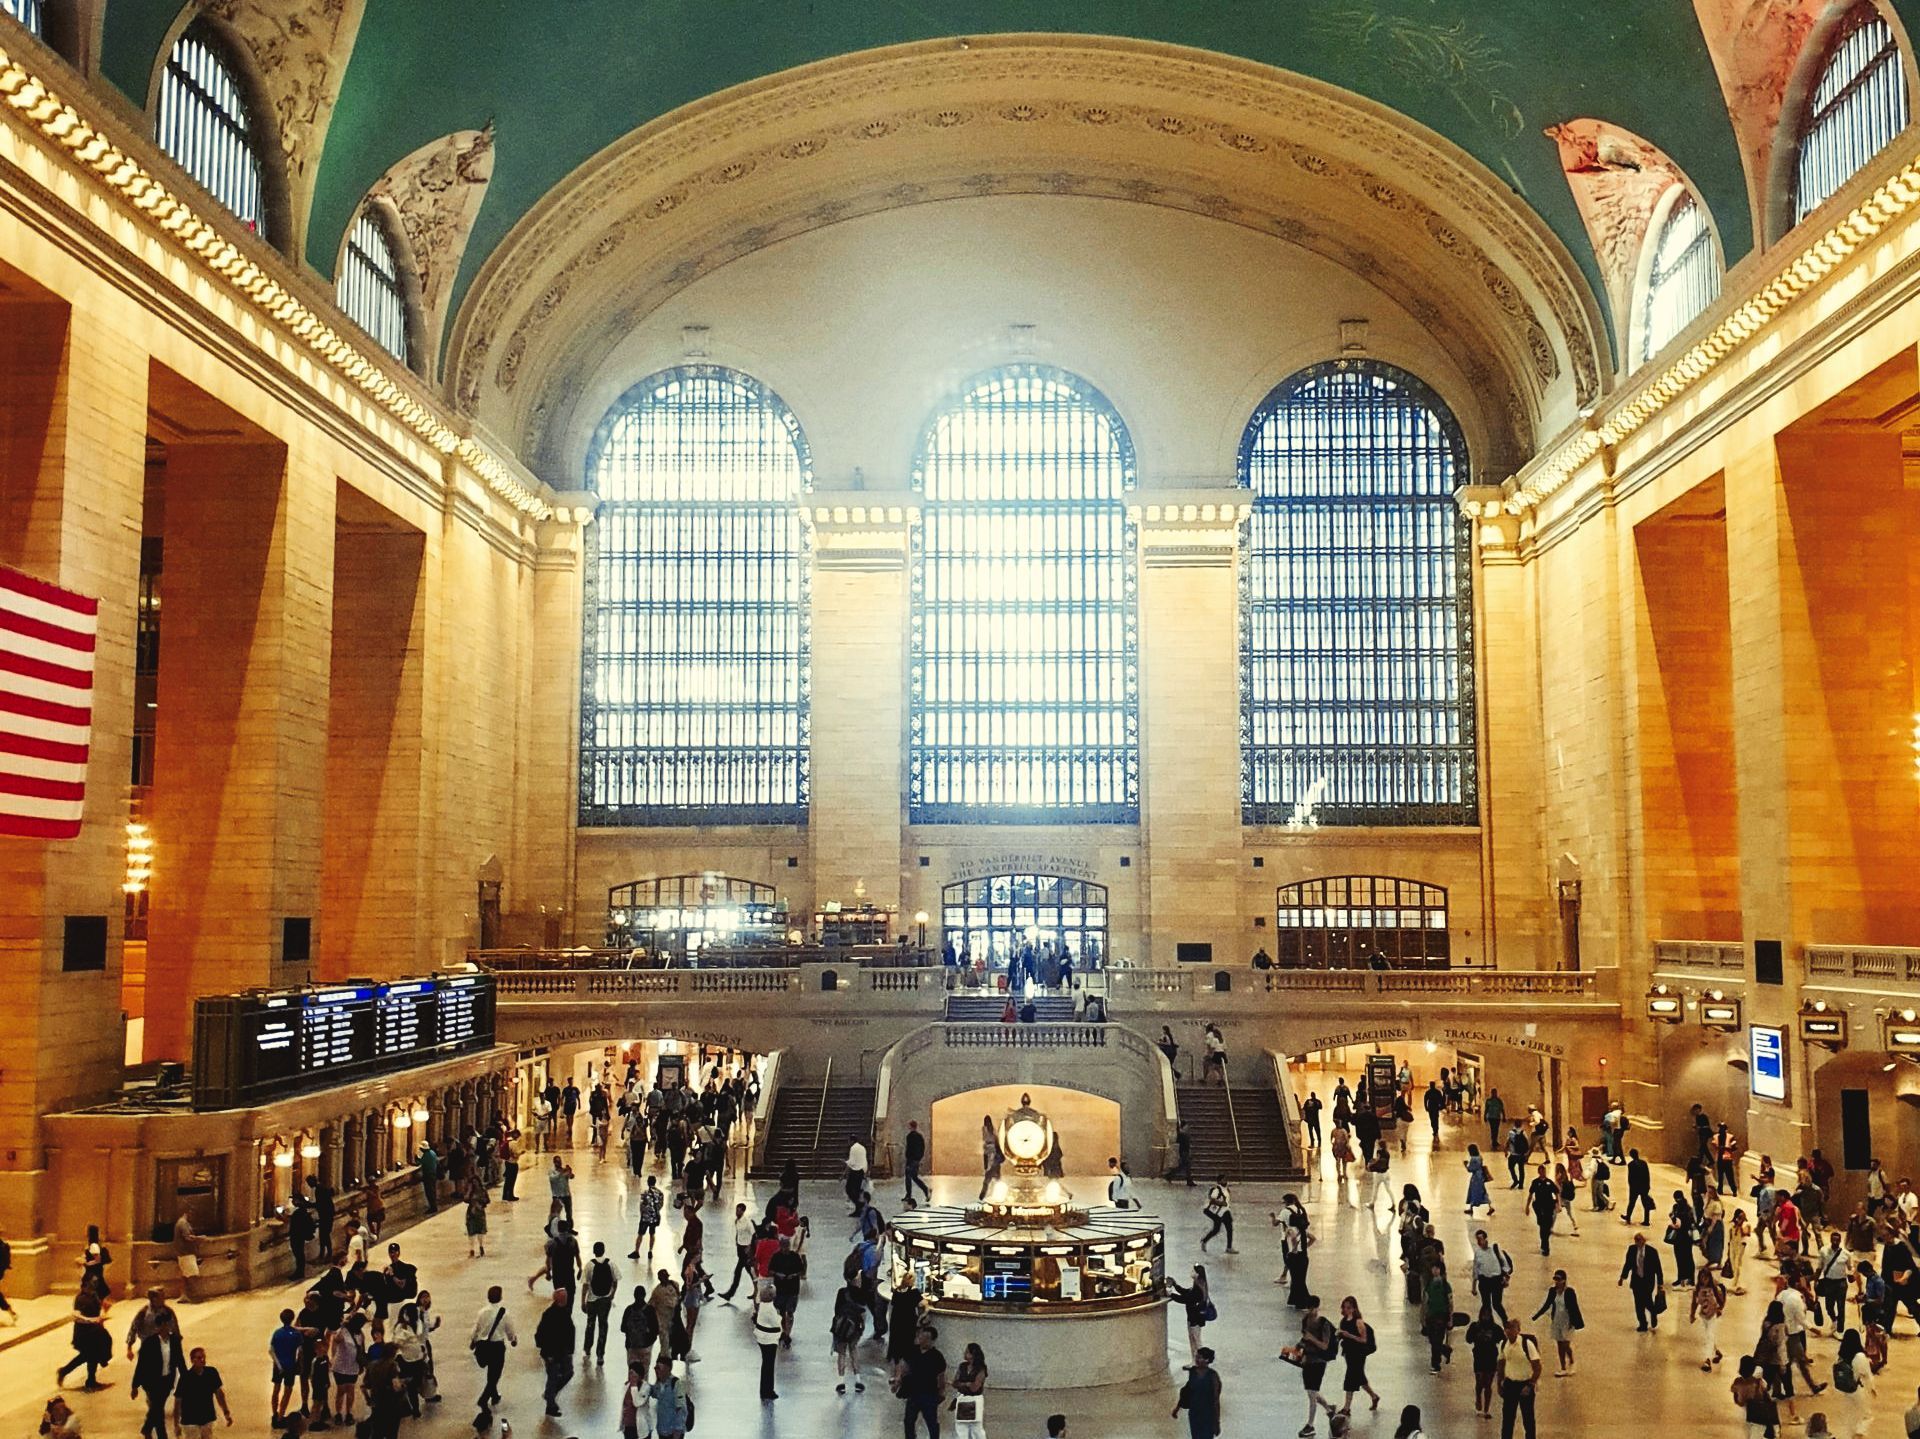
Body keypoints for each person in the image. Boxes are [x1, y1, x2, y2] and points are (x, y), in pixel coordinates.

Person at [1290, 1297, 1340, 1436]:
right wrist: (1300, 1346)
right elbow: (1304, 1337)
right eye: (1309, 1309)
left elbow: (1324, 1345)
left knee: (1312, 1393)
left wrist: (1311, 1338)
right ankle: (1329, 1410)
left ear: (1318, 1307)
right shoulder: (1306, 1320)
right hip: (1307, 1360)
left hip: (1318, 1361)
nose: (1311, 1312)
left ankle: (1310, 1425)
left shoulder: (1323, 1324)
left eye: (1313, 1308)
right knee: (1311, 1391)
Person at [469, 1283, 516, 1414]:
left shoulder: (482, 1312)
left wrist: (472, 1340)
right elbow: (509, 1331)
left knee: (491, 1372)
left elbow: (476, 1328)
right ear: (500, 1297)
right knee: (495, 1374)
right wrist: (513, 1340)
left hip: (484, 1346)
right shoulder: (504, 1313)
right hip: (497, 1347)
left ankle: (494, 1395)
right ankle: (483, 1399)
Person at [895, 1323, 947, 1439]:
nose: (922, 1340)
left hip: (929, 1393)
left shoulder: (937, 1356)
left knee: (931, 1421)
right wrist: (898, 1379)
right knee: (908, 1420)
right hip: (913, 1392)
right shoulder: (913, 1351)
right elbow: (903, 1363)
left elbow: (941, 1376)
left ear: (932, 1340)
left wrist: (941, 1391)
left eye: (925, 1338)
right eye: (921, 1337)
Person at [55, 1283, 110, 1389]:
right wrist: (90, 1320)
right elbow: (76, 1315)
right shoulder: (81, 1299)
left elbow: (100, 1309)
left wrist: (103, 1313)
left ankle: (90, 1380)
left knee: (91, 1355)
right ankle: (66, 1372)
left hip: (94, 1331)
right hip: (84, 1332)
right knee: (88, 1355)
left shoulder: (94, 1296)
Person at [1530, 1269, 1583, 1376]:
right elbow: (1547, 1304)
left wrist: (1576, 1323)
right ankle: (1563, 1367)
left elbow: (1574, 1308)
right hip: (1556, 1320)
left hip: (1567, 1322)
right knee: (1559, 1344)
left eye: (1558, 1279)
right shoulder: (1552, 1291)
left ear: (1564, 1280)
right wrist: (1537, 1315)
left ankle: (1571, 1361)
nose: (1556, 1281)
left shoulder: (1569, 1292)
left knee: (1565, 1344)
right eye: (1555, 1279)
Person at [1498, 1315, 1542, 1439]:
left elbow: (1537, 1366)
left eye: (1512, 1328)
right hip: (1510, 1384)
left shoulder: (1527, 1344)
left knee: (1528, 1419)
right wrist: (1499, 1384)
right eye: (1507, 1329)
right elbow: (1501, 1364)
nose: (1509, 1331)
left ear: (1518, 1330)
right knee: (1507, 1419)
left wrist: (1531, 1384)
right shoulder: (1503, 1344)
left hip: (1525, 1385)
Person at [1336, 1295, 1382, 1415]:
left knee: (1350, 1378)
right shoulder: (1343, 1321)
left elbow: (1364, 1340)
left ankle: (1347, 1408)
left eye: (1349, 1307)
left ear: (1354, 1308)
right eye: (1345, 1307)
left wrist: (1348, 1335)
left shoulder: (1359, 1322)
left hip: (1358, 1353)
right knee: (1359, 1377)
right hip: (1349, 1353)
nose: (1347, 1310)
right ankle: (1374, 1396)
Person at [535, 1287, 576, 1417]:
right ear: (559, 1299)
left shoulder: (564, 1312)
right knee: (552, 1377)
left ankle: (549, 1394)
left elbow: (570, 1332)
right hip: (552, 1353)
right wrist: (548, 1354)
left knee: (568, 1373)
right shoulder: (549, 1315)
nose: (567, 1299)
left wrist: (570, 1350)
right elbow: (541, 1334)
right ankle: (550, 1405)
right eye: (565, 1297)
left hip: (563, 1351)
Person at [1619, 1231, 1666, 1331]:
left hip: (1648, 1281)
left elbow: (1658, 1268)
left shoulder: (1652, 1252)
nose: (1637, 1243)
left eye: (1639, 1240)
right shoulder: (1632, 1250)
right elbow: (1628, 1264)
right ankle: (1643, 1324)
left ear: (1644, 1241)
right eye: (1636, 1240)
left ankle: (1653, 1312)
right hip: (1636, 1281)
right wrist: (1623, 1277)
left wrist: (1660, 1283)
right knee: (1638, 1303)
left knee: (1646, 1300)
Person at [1173, 1346, 1223, 1439]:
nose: (1196, 1359)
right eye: (1196, 1356)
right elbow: (1187, 1391)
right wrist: (1177, 1408)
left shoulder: (1213, 1376)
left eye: (1199, 1357)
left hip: (1207, 1415)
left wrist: (1216, 1422)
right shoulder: (1192, 1372)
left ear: (1207, 1360)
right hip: (1194, 1413)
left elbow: (1216, 1400)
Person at [831, 1270, 868, 1394]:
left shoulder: (842, 1292)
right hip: (855, 1327)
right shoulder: (861, 1293)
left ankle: (841, 1381)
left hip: (841, 1327)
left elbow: (836, 1310)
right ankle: (857, 1379)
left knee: (841, 1353)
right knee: (853, 1350)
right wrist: (862, 1327)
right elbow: (863, 1312)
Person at [1832, 1326, 1874, 1436]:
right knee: (1866, 1415)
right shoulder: (1859, 1356)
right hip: (1858, 1389)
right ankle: (1858, 1435)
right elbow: (1867, 1374)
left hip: (1846, 1390)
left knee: (1851, 1416)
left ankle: (1852, 1434)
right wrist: (1872, 1388)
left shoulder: (1841, 1356)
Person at [583, 1242, 619, 1365]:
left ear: (594, 1251)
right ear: (604, 1251)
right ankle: (600, 1355)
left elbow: (585, 1284)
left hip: (592, 1300)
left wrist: (583, 1301)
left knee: (590, 1324)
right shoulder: (611, 1264)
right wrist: (611, 1295)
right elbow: (615, 1281)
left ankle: (588, 1347)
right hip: (605, 1300)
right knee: (603, 1326)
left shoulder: (589, 1265)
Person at [1466, 1307, 1505, 1421]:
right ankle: (1478, 1398)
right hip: (1479, 1356)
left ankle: (1486, 1409)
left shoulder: (1495, 1328)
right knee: (1479, 1381)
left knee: (1488, 1383)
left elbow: (1502, 1339)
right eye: (1484, 1314)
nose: (1485, 1317)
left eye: (1487, 1315)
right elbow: (1468, 1339)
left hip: (1491, 1357)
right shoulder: (1475, 1327)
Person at [1169, 1264, 1213, 1362]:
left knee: (1196, 1341)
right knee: (1193, 1339)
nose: (1191, 1272)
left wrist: (1171, 1295)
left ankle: (1201, 1360)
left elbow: (1186, 1299)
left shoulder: (1199, 1288)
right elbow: (1186, 1292)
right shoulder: (1198, 1285)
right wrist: (1175, 1285)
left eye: (1193, 1271)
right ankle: (1195, 1360)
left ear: (1197, 1274)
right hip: (1193, 1318)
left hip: (1195, 1319)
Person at [1691, 1262, 1726, 1371]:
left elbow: (1721, 1298)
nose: (1704, 1280)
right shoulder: (1697, 1289)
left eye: (1706, 1278)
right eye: (1702, 1278)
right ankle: (1716, 1352)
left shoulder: (1714, 1288)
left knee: (1709, 1335)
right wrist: (1692, 1314)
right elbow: (1694, 1302)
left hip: (1712, 1314)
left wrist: (1720, 1309)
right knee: (1708, 1335)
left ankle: (1707, 1360)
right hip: (1703, 1315)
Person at [1471, 1228, 1513, 1320]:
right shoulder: (1478, 1253)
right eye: (1477, 1239)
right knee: (1486, 1305)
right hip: (1484, 1281)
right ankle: (1488, 1322)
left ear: (1485, 1239)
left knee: (1497, 1304)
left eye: (1480, 1239)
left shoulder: (1495, 1249)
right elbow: (1475, 1270)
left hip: (1496, 1281)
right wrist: (1473, 1287)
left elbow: (1505, 1263)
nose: (1478, 1241)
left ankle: (1505, 1321)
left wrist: (1505, 1278)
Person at [1420, 1259, 1455, 1373]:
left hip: (1441, 1315)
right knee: (1433, 1340)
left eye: (1437, 1268)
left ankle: (1435, 1364)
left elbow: (1450, 1302)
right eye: (1433, 1268)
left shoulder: (1446, 1285)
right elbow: (1425, 1301)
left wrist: (1450, 1318)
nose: (1435, 1270)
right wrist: (1422, 1317)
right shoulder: (1429, 1284)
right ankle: (1445, 1350)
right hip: (1430, 1316)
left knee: (1437, 1340)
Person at [750, 1277, 781, 1400]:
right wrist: (780, 1317)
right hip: (769, 1339)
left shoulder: (762, 1305)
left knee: (766, 1364)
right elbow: (776, 1323)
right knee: (769, 1364)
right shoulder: (771, 1309)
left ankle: (764, 1389)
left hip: (761, 1337)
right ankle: (768, 1390)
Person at [951, 1341, 988, 1439]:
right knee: (961, 1427)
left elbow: (975, 1387)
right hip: (962, 1398)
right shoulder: (962, 1366)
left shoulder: (980, 1369)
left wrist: (963, 1384)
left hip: (975, 1400)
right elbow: (955, 1382)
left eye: (967, 1352)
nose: (964, 1353)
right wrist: (966, 1384)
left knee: (976, 1428)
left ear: (972, 1355)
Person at [647, 1354, 690, 1439]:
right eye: (655, 1368)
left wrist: (678, 1430)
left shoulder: (676, 1384)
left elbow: (681, 1409)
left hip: (673, 1432)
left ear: (668, 1368)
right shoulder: (659, 1385)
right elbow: (652, 1392)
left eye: (659, 1367)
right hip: (662, 1430)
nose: (656, 1370)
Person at [1527, 1164, 1560, 1255]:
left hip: (1549, 1206)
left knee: (1547, 1225)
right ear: (1539, 1172)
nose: (1543, 1173)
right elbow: (1530, 1195)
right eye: (1541, 1171)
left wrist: (1558, 1205)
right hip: (1539, 1207)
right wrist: (1527, 1207)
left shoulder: (1549, 1182)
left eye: (1544, 1171)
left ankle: (1544, 1243)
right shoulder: (1535, 1182)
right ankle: (1545, 1245)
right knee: (1542, 1225)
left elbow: (1556, 1192)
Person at [1201, 1178, 1236, 1253]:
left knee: (1228, 1228)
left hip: (1225, 1211)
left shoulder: (1226, 1189)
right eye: (1223, 1180)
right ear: (1219, 1181)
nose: (1225, 1181)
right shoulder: (1217, 1189)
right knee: (1217, 1229)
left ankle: (1229, 1247)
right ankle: (1204, 1241)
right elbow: (1212, 1200)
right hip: (1218, 1212)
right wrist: (1221, 1203)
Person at [903, 1120, 931, 1208]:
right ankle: (926, 1190)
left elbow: (909, 1149)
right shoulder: (919, 1136)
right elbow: (922, 1147)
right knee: (914, 1177)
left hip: (911, 1160)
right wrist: (919, 1158)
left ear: (911, 1126)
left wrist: (908, 1157)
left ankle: (909, 1195)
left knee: (908, 1177)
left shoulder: (910, 1136)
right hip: (916, 1160)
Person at [1623, 1147, 1654, 1224]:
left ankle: (1628, 1217)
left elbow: (1630, 1177)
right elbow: (1647, 1175)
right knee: (1645, 1204)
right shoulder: (1644, 1163)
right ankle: (1646, 1220)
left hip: (1635, 1188)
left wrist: (1631, 1187)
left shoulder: (1631, 1165)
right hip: (1644, 1187)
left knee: (1632, 1203)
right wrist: (1648, 1186)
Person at [1465, 1143, 1494, 1216]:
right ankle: (1490, 1206)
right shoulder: (1480, 1157)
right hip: (1481, 1176)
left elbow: (1470, 1169)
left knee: (1473, 1192)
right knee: (1483, 1192)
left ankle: (1471, 1207)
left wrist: (1466, 1165)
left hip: (1475, 1178)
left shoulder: (1473, 1159)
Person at [845, 1134, 869, 1214]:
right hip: (861, 1170)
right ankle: (858, 1207)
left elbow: (851, 1162)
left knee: (849, 1189)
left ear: (852, 1141)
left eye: (849, 1141)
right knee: (857, 1190)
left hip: (855, 1170)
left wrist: (845, 1164)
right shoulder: (862, 1148)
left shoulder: (853, 1148)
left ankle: (858, 1205)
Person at [1423, 1080, 1445, 1144]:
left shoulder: (1428, 1092)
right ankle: (1436, 1129)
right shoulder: (1437, 1092)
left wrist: (1426, 1107)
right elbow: (1441, 1100)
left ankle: (1435, 1129)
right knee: (1435, 1118)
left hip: (1431, 1107)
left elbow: (1425, 1100)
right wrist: (1441, 1106)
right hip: (1435, 1107)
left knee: (1432, 1119)